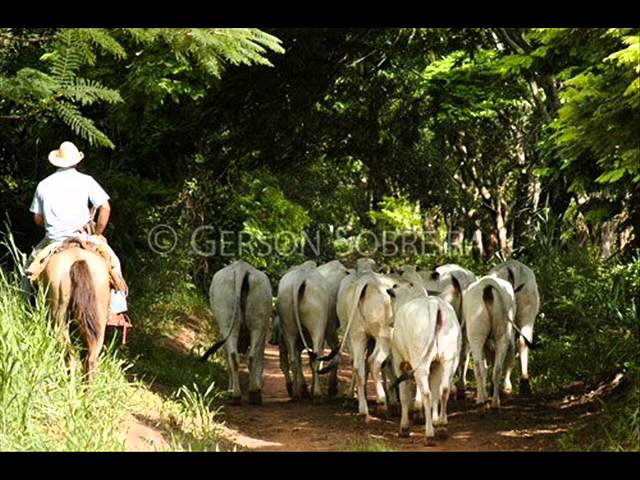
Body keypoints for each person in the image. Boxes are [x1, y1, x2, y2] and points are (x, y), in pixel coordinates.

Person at [23, 141, 129, 320]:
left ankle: (27, 311)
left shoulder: (43, 185)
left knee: (28, 272)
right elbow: (105, 208)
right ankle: (115, 309)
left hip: (54, 240)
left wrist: (51, 220)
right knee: (113, 264)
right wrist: (97, 233)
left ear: (56, 161)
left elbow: (37, 219)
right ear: (76, 161)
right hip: (84, 237)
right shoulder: (86, 181)